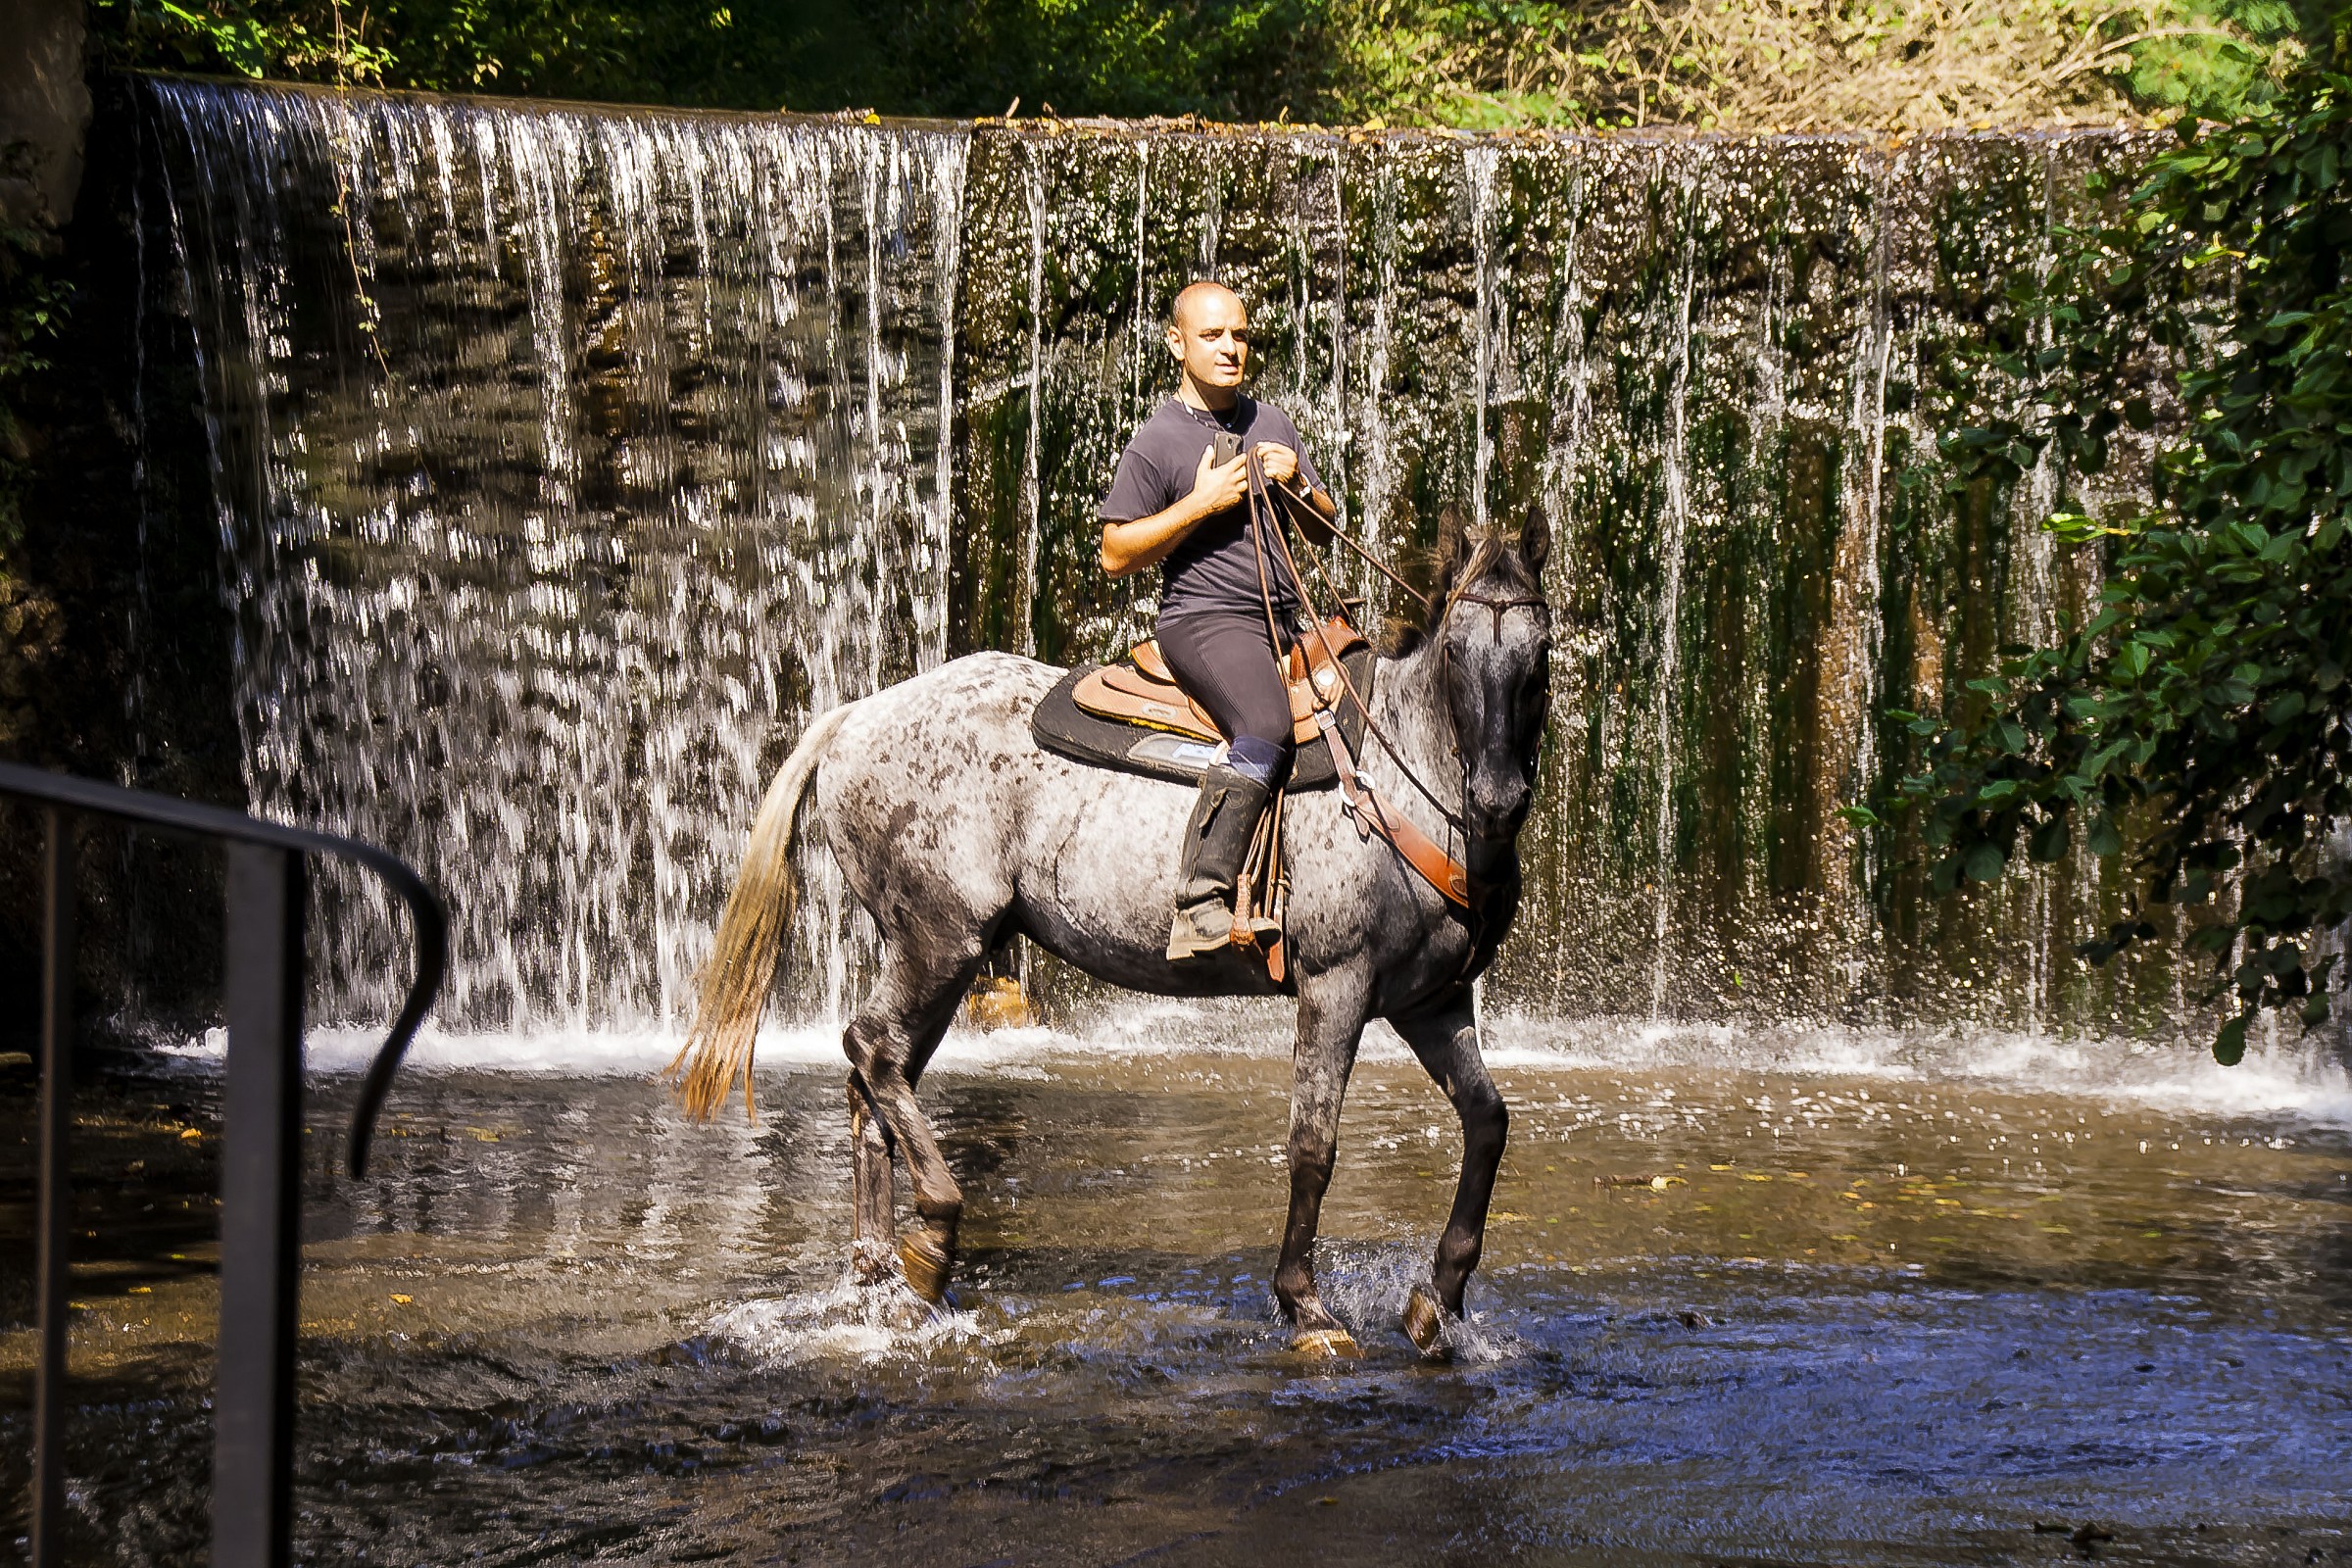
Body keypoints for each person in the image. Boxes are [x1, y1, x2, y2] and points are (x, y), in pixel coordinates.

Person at [1098, 280, 1340, 961]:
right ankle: (1200, 899)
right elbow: (1114, 553)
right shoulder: (1158, 440)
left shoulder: (1274, 423)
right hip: (1206, 620)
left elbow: (1325, 529)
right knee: (1265, 722)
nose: (1230, 348)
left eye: (1239, 335)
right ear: (1177, 343)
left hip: (1289, 619)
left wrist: (1301, 485)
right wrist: (1202, 502)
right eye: (1212, 335)